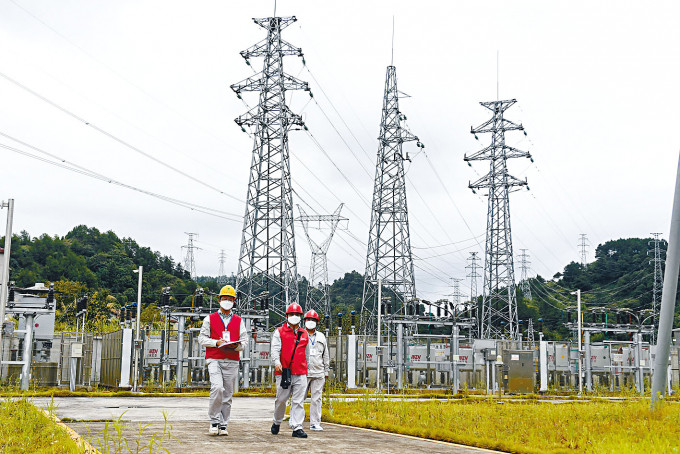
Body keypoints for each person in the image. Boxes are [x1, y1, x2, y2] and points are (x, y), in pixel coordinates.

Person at [198, 284, 247, 436]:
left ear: (234, 301)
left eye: (230, 299)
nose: (227, 301)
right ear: (219, 299)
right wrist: (216, 343)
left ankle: (224, 424)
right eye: (224, 298)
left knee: (228, 394)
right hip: (215, 358)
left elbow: (244, 341)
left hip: (231, 360)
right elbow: (201, 338)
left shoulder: (239, 321)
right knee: (217, 388)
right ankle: (214, 421)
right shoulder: (210, 319)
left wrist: (236, 346)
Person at [270, 302, 309, 438]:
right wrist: (277, 362)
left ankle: (297, 427)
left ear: (301, 316)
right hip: (284, 372)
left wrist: (306, 368)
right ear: (286, 316)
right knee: (281, 400)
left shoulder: (304, 334)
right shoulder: (279, 332)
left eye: (297, 314)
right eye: (291, 314)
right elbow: (275, 349)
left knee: (298, 401)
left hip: (300, 372)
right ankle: (277, 421)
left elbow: (307, 353)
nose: (294, 316)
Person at [303, 309, 330, 431]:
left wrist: (326, 371)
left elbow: (326, 355)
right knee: (299, 398)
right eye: (309, 319)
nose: (311, 322)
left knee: (317, 398)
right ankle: (295, 420)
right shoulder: (300, 334)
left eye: (313, 320)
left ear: (316, 322)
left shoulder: (321, 337)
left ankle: (315, 423)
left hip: (318, 372)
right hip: (303, 372)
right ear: (304, 321)